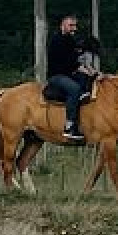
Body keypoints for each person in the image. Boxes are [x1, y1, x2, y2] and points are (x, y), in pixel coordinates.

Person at [46, 14, 87, 142]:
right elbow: (69, 63)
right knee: (74, 89)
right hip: (56, 76)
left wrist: (91, 72)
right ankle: (69, 126)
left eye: (75, 26)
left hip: (69, 74)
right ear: (62, 25)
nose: (74, 28)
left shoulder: (70, 40)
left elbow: (76, 60)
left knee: (87, 80)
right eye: (71, 25)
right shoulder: (56, 40)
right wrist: (82, 68)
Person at [76, 34, 104, 101]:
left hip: (77, 69)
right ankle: (84, 93)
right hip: (78, 70)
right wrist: (96, 73)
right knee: (87, 76)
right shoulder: (88, 54)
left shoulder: (83, 53)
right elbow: (88, 65)